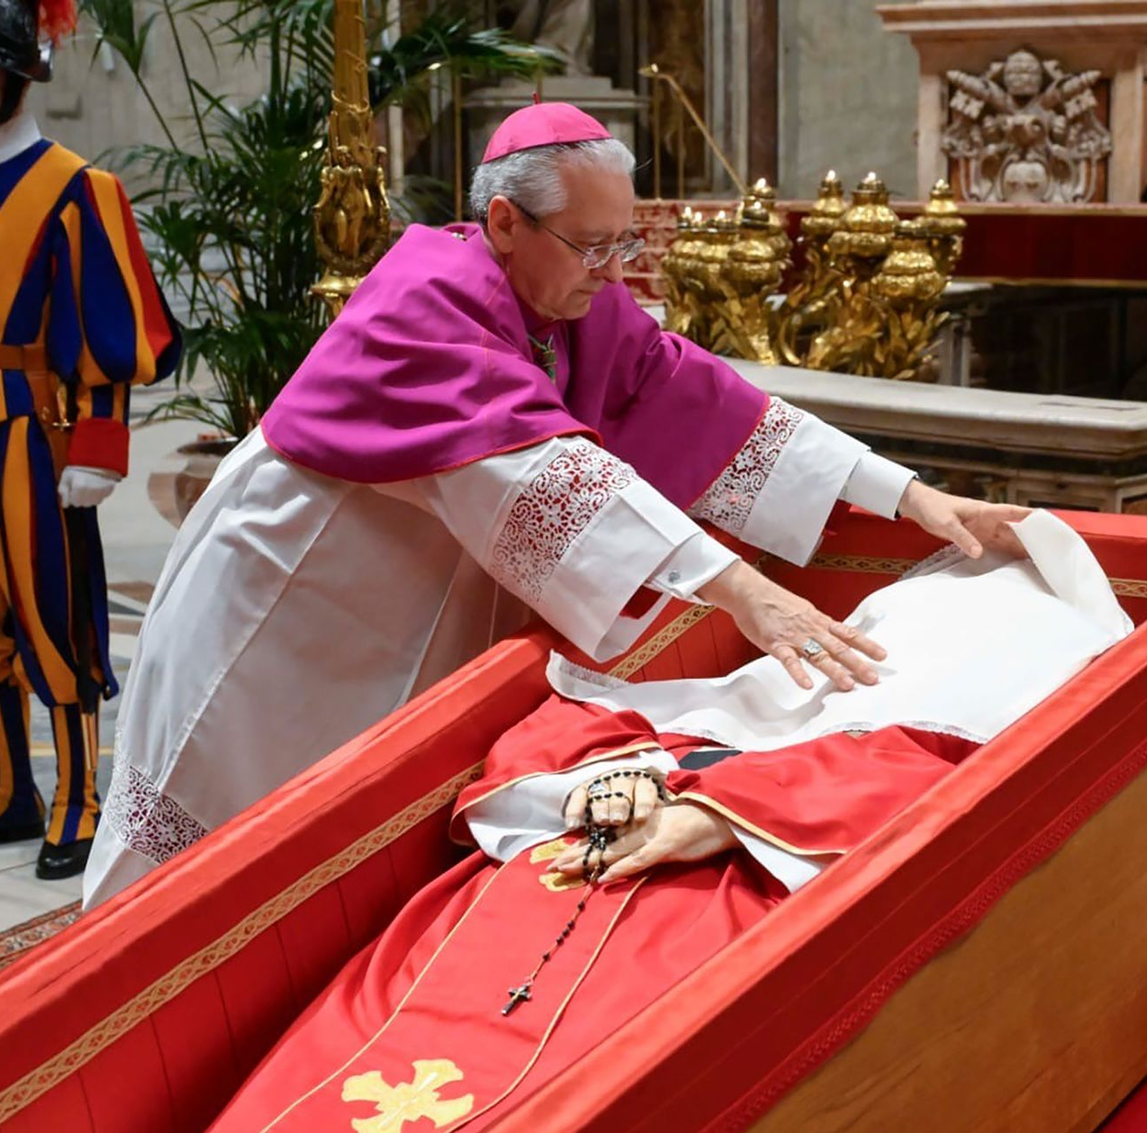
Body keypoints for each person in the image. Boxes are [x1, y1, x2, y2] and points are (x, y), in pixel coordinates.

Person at [85, 100, 1026, 908]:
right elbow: (547, 476)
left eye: (626, 243)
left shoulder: (571, 302)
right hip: (283, 615)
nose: (615, 270)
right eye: (592, 245)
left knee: (333, 850)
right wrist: (744, 591)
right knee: (194, 853)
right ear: (504, 223)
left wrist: (909, 493)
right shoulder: (426, 300)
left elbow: (707, 403)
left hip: (398, 618)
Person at [106, 510, 1132, 1133]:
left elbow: (933, 794)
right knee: (403, 1014)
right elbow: (562, 733)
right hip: (573, 858)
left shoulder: (971, 722)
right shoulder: (791, 676)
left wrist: (723, 811)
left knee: (568, 1066)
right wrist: (621, 772)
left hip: (732, 888)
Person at [0, 0, 181, 878]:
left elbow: (110, 329)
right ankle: (8, 790)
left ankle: (80, 795)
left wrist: (99, 447)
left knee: (56, 618)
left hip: (35, 430)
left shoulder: (77, 189)